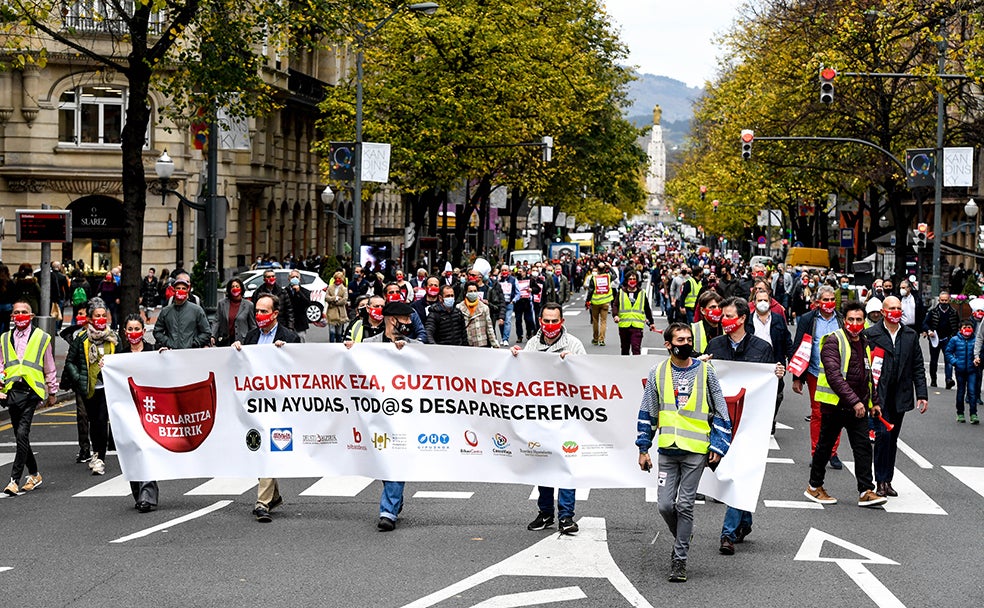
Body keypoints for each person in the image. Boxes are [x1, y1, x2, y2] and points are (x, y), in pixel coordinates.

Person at [636, 322, 731, 583]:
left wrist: (719, 446)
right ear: (668, 344)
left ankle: (679, 559)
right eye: (680, 340)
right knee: (666, 505)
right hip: (668, 450)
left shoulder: (706, 371)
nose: (686, 344)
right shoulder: (657, 373)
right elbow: (648, 413)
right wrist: (643, 448)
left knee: (685, 504)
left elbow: (722, 410)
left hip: (696, 451)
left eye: (688, 339)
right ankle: (683, 534)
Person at [705, 297, 783, 555]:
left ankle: (727, 534)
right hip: (721, 420)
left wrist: (776, 377)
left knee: (738, 472)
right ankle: (744, 520)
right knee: (727, 472)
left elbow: (771, 388)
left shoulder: (762, 348)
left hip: (750, 421)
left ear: (741, 319)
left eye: (727, 315)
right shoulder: (715, 345)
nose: (722, 319)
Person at [511, 302, 585, 535]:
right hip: (540, 416)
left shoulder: (574, 344)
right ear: (540, 321)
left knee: (565, 465)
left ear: (562, 322)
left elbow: (587, 378)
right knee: (543, 464)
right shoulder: (532, 344)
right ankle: (545, 513)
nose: (550, 325)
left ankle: (566, 516)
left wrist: (575, 362)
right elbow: (520, 376)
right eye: (547, 321)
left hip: (566, 417)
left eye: (555, 321)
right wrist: (515, 357)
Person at [804, 301, 887, 508]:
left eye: (859, 319)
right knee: (825, 447)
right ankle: (814, 487)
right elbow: (834, 376)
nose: (855, 323)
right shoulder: (834, 341)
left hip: (857, 407)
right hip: (835, 406)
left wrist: (873, 402)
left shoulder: (865, 342)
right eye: (851, 319)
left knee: (863, 447)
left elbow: (868, 377)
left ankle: (866, 490)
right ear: (844, 320)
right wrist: (855, 402)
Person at [232, 294, 300, 522]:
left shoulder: (289, 337)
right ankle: (274, 496)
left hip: (279, 405)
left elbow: (301, 369)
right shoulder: (251, 336)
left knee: (270, 449)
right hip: (255, 403)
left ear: (275, 314)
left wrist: (286, 353)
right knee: (260, 449)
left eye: (263, 311)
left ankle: (262, 503)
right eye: (257, 311)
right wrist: (237, 351)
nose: (259, 315)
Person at [356, 300, 422, 531]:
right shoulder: (367, 344)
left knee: (395, 457)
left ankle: (388, 510)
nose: (409, 323)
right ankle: (396, 497)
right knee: (383, 460)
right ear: (393, 320)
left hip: (404, 413)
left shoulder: (415, 345)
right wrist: (347, 352)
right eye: (406, 320)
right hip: (376, 413)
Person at [862, 296, 929, 497]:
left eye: (899, 308)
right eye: (892, 308)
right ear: (883, 312)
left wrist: (922, 394)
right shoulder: (871, 335)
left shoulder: (909, 335)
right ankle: (880, 480)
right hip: (878, 395)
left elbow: (918, 365)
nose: (896, 311)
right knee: (883, 436)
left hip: (900, 395)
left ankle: (887, 480)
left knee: (892, 439)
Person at [1, 300, 59, 495]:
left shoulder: (42, 337)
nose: (20, 315)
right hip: (12, 392)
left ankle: (14, 480)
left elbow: (49, 366)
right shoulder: (4, 338)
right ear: (11, 316)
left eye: (24, 312)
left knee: (22, 434)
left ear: (31, 316)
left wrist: (52, 391)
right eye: (16, 312)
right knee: (21, 436)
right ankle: (34, 474)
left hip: (32, 391)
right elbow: (2, 365)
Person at [63, 298, 118, 476]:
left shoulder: (113, 339)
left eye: (103, 316)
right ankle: (95, 452)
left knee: (102, 421)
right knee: (94, 422)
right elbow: (70, 362)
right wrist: (79, 379)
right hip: (89, 388)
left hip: (108, 389)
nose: (101, 319)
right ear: (90, 319)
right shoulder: (81, 339)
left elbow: (122, 359)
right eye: (97, 316)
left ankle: (100, 457)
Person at [792, 285, 844, 469]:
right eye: (825, 299)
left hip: (838, 374)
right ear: (818, 302)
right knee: (818, 413)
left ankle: (833, 452)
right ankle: (817, 453)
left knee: (836, 413)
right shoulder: (808, 319)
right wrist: (797, 377)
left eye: (832, 299)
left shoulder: (841, 319)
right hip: (815, 372)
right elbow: (799, 346)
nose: (829, 303)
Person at [118, 314, 160, 512]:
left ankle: (147, 495)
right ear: (125, 333)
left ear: (144, 331)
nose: (134, 333)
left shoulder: (154, 351)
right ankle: (138, 491)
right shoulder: (120, 355)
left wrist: (165, 357)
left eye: (137, 329)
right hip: (128, 410)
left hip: (151, 408)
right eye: (130, 329)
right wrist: (105, 367)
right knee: (133, 449)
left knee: (147, 448)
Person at [750, 288, 793, 434]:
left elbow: (787, 341)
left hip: (775, 364)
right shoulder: (748, 321)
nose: (762, 303)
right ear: (754, 303)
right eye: (759, 300)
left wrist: (792, 361)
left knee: (777, 395)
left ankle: (770, 419)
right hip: (754, 365)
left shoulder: (778, 319)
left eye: (765, 300)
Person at [153, 273, 211, 350]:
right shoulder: (166, 311)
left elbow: (206, 332)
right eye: (178, 288)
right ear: (174, 290)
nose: (181, 290)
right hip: (172, 353)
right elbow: (157, 331)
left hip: (190, 353)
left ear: (188, 290)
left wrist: (194, 343)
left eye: (183, 288)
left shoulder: (197, 310)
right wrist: (168, 342)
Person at [611, 270, 656, 355]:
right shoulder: (621, 292)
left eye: (634, 279)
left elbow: (647, 308)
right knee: (624, 349)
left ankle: (636, 367)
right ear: (627, 280)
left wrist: (651, 322)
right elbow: (615, 305)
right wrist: (615, 315)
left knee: (636, 348)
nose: (632, 280)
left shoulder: (642, 293)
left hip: (637, 326)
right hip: (624, 325)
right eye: (630, 278)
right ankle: (625, 367)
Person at [945, 319, 978, 424]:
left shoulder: (976, 340)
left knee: (972, 392)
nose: (967, 330)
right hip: (960, 370)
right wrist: (955, 362)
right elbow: (948, 352)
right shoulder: (954, 340)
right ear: (960, 329)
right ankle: (960, 413)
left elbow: (980, 352)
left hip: (972, 370)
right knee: (961, 391)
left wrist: (978, 360)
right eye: (965, 327)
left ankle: (973, 414)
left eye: (969, 327)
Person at [923, 291, 958, 389]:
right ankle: (933, 380)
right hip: (935, 339)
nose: (944, 302)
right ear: (939, 300)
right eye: (942, 300)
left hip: (948, 339)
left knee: (948, 360)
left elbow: (957, 325)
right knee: (934, 360)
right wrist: (929, 331)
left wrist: (954, 337)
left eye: (946, 300)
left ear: (949, 300)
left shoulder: (953, 312)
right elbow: (925, 323)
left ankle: (948, 379)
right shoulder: (933, 312)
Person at [212, 278, 256, 347]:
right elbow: (217, 321)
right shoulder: (222, 303)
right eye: (232, 287)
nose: (235, 288)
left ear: (241, 289)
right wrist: (213, 335)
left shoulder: (249, 305)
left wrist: (254, 339)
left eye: (237, 286)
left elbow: (252, 325)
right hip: (225, 341)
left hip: (242, 342)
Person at [457, 281, 499, 348]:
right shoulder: (459, 307)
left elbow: (489, 328)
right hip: (466, 344)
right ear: (465, 292)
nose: (473, 293)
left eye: (475, 291)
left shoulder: (484, 308)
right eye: (470, 291)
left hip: (481, 343)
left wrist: (495, 344)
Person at [585, 263, 616, 346]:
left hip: (595, 302)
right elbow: (615, 275)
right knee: (603, 321)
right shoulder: (608, 277)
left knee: (595, 321)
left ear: (597, 269)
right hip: (605, 303)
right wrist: (610, 267)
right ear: (605, 269)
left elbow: (590, 291)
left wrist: (587, 301)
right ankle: (601, 339)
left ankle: (595, 339)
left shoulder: (594, 278)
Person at [691, 290, 724, 355]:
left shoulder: (727, 329)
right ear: (702, 310)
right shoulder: (693, 329)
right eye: (712, 307)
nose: (717, 310)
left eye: (720, 307)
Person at [324, 271, 350, 343]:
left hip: (340, 312)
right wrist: (335, 298)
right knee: (332, 331)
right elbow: (326, 297)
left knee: (339, 332)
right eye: (336, 278)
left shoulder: (344, 289)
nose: (337, 280)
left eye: (339, 278)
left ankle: (339, 345)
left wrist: (334, 302)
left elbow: (344, 300)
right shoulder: (330, 287)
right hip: (331, 312)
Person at [285, 269, 310, 341]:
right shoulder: (284, 291)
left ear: (300, 279)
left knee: (301, 342)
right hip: (288, 323)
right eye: (293, 277)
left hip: (300, 323)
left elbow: (307, 303)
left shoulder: (305, 291)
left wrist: (299, 292)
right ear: (289, 279)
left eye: (297, 277)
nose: (295, 278)